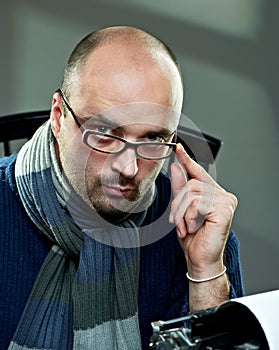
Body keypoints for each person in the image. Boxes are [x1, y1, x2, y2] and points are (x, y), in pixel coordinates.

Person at [0, 26, 244, 350]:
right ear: (58, 117)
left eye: (153, 139)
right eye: (103, 132)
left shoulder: (197, 229)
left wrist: (206, 272)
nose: (129, 169)